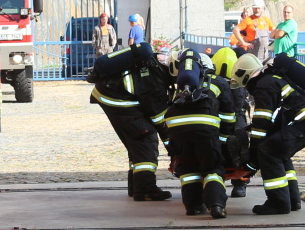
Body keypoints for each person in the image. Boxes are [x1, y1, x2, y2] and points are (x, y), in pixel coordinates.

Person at [244, 54, 305, 215]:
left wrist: (253, 154)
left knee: (268, 151)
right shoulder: (273, 79)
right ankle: (292, 200)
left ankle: (278, 203)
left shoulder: (264, 86)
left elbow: (261, 122)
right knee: (280, 152)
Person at [91, 43, 173, 200]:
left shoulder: (156, 64)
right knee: (145, 137)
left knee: (136, 141)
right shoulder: (155, 81)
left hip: (112, 93)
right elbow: (158, 118)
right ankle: (145, 190)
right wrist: (173, 146)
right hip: (117, 99)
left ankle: (136, 186)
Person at [164, 48, 235, 218]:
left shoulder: (181, 85)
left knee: (187, 168)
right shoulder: (218, 82)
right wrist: (224, 141)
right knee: (212, 167)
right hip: (205, 127)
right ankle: (216, 205)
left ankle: (193, 206)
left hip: (177, 128)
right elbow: (228, 115)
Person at [212, 47, 254, 198]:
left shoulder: (216, 81)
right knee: (239, 151)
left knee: (236, 150)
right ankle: (237, 184)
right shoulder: (238, 80)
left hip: (230, 120)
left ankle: (239, 183)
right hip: (233, 120)